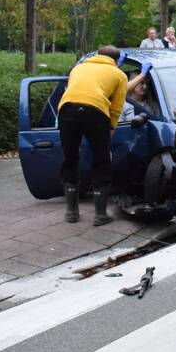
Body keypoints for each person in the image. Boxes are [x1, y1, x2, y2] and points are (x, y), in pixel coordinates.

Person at [57, 45, 127, 226]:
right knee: (101, 161)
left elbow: (71, 89)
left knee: (70, 158)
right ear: (117, 60)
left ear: (97, 55)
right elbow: (117, 107)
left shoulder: (78, 68)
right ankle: (100, 215)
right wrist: (110, 128)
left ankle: (71, 212)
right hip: (95, 112)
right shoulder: (119, 75)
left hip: (67, 110)